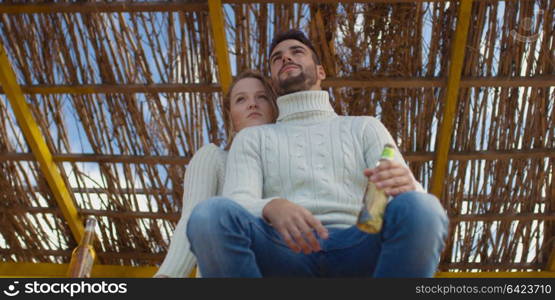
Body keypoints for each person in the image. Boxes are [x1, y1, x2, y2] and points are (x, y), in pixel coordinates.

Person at [187, 30, 449, 277]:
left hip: (360, 243)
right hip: (283, 250)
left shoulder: (364, 126)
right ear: (274, 82)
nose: (286, 58)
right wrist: (271, 205)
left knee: (421, 207)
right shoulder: (253, 137)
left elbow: (404, 205)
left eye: (296, 52)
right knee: (209, 215)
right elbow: (237, 201)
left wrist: (408, 186)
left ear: (321, 71)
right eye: (277, 58)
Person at [154, 70, 278, 277]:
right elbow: (191, 220)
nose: (252, 104)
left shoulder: (290, 165)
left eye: (262, 97)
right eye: (241, 99)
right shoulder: (215, 158)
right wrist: (166, 276)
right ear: (230, 115)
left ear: (274, 108)